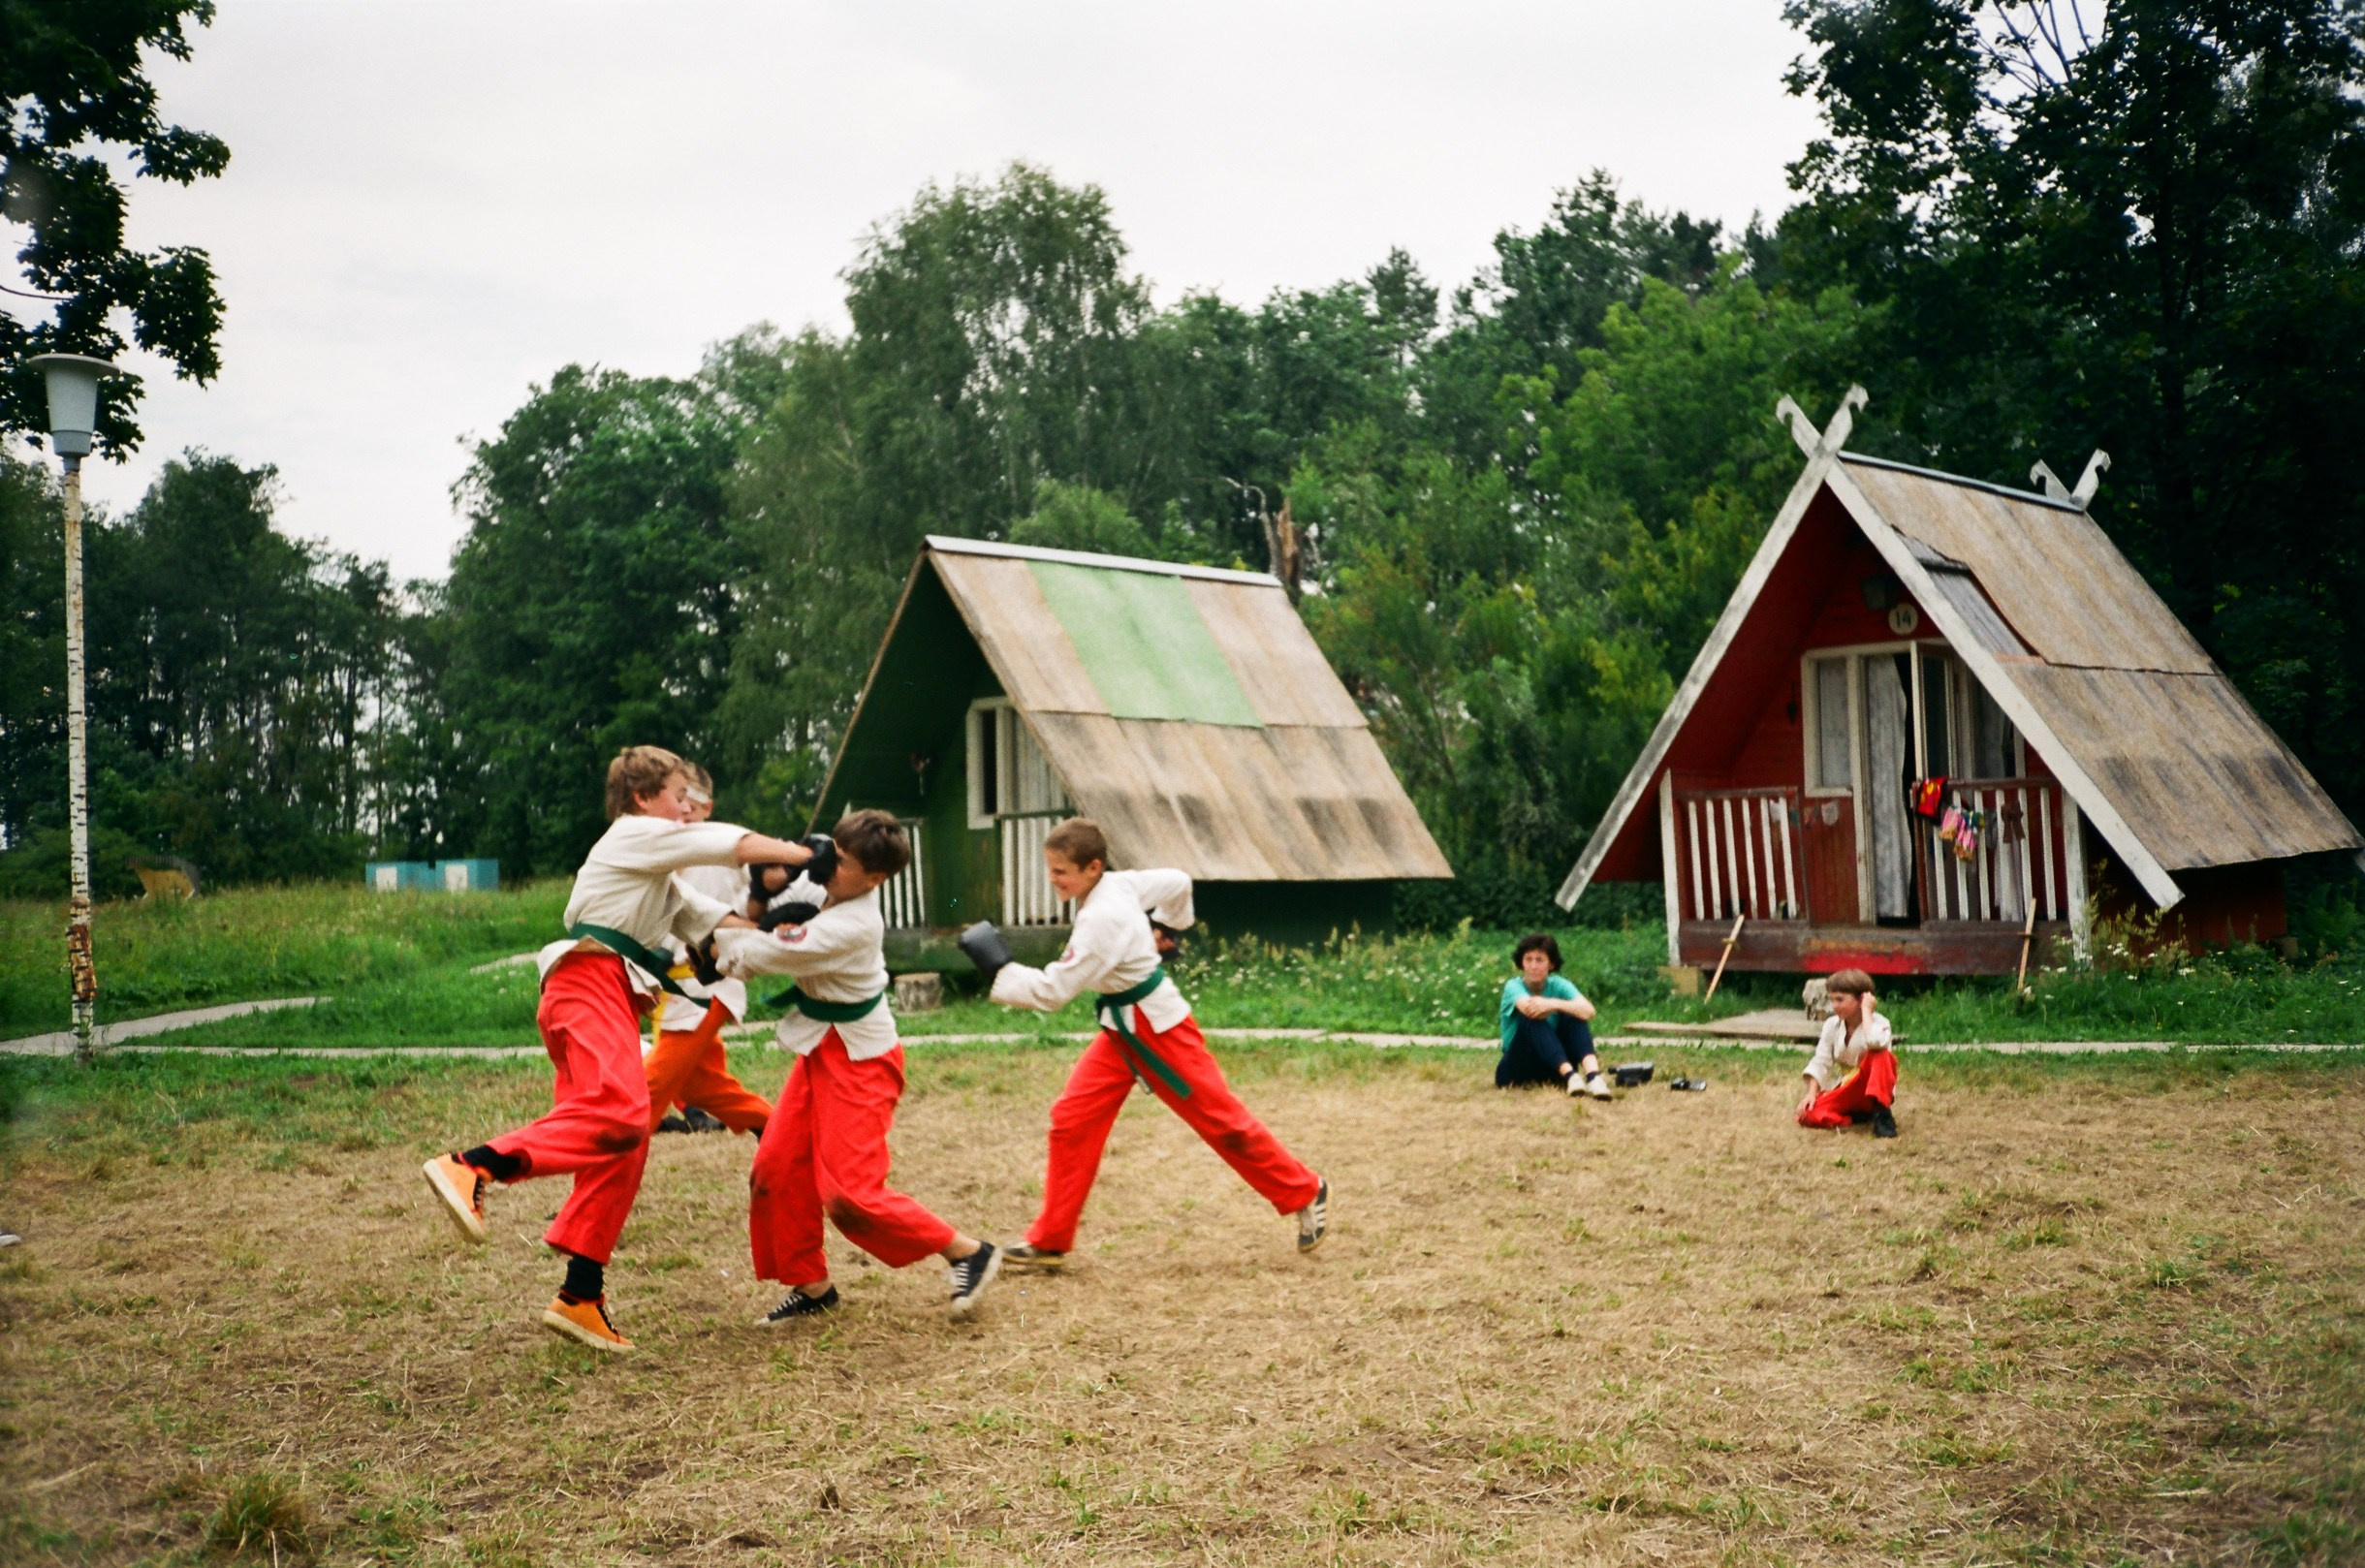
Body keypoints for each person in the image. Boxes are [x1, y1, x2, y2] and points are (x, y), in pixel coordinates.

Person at [421, 745, 814, 1353]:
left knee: (622, 1143)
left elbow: (720, 925)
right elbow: (729, 842)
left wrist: (784, 932)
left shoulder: (660, 883)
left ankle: (581, 1295)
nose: (686, 811)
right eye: (679, 797)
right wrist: (803, 853)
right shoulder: (635, 834)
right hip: (590, 981)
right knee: (625, 1113)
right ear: (642, 798)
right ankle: (475, 1164)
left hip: (602, 991)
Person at [969, 818, 1327, 1273]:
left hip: (1159, 1030)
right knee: (1071, 1120)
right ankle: (1052, 1238)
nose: (1053, 879)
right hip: (1122, 1030)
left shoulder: (1102, 918)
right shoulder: (1119, 885)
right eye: (1051, 869)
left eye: (1062, 872)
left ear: (1093, 867)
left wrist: (997, 969)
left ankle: (1305, 1190)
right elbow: (1178, 881)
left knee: (1224, 1123)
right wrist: (1169, 927)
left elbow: (1051, 993)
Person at [711, 810, 1002, 1323]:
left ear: (876, 878)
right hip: (822, 1044)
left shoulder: (855, 924)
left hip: (863, 1058)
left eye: (842, 862)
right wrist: (763, 886)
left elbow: (756, 954)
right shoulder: (818, 880)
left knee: (849, 1194)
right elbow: (759, 910)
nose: (828, 866)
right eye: (832, 852)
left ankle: (967, 1251)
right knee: (774, 1171)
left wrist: (716, 933)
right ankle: (813, 1288)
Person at [643, 763, 774, 1140]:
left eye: (691, 802)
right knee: (699, 1087)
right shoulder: (661, 853)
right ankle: (780, 1129)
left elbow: (769, 886)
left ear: (707, 806)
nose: (683, 811)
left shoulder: (727, 847)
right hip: (674, 987)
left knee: (647, 1091)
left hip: (709, 984)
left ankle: (598, 1160)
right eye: (677, 798)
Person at [1497, 933, 1609, 1099]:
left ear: (1551, 964)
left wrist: (1554, 1004)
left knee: (1575, 1015)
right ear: (1521, 963)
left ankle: (1594, 1077)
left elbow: (1588, 1011)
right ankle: (1571, 1075)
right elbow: (1530, 1008)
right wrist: (1551, 1005)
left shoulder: (1559, 984)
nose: (1534, 966)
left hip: (1552, 1065)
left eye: (1540, 960)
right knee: (1531, 1016)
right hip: (1518, 1066)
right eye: (1528, 959)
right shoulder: (1513, 986)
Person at [1796, 967, 1898, 1138]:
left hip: (1873, 1090)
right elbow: (1821, 1060)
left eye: (1840, 1000)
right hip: (1848, 1089)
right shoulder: (1831, 1025)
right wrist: (1811, 1094)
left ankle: (1882, 1115)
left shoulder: (1880, 1023)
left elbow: (1874, 1042)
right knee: (1807, 1114)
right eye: (1832, 1000)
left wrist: (1866, 1011)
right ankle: (1855, 1117)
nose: (1834, 1006)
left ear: (1861, 999)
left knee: (1880, 1054)